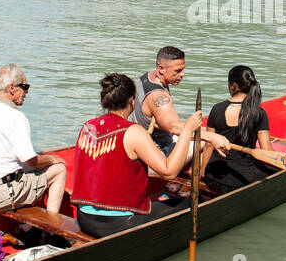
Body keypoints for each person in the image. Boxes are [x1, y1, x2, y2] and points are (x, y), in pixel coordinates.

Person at [71, 73, 201, 237]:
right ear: (132, 101)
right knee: (193, 201)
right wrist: (187, 130)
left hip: (85, 218)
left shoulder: (87, 127)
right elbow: (169, 171)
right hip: (118, 224)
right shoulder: (133, 131)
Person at [0, 64, 66, 214]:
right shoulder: (16, 117)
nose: (26, 92)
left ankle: (26, 226)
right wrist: (52, 159)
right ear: (12, 88)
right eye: (25, 87)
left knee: (29, 171)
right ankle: (51, 229)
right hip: (3, 195)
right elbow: (31, 162)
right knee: (59, 169)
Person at [132, 45, 231, 158]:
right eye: (178, 71)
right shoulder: (159, 97)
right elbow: (173, 127)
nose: (183, 74)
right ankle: (198, 172)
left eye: (183, 69)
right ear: (161, 69)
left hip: (142, 142)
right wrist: (211, 137)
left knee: (210, 131)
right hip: (156, 153)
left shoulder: (146, 77)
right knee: (208, 141)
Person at [201, 66, 273, 193]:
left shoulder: (217, 109)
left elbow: (208, 144)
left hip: (215, 179)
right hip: (244, 180)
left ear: (233, 85)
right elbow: (267, 151)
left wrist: (203, 171)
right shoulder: (259, 113)